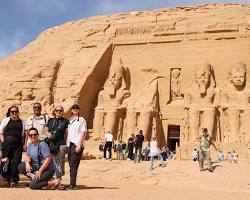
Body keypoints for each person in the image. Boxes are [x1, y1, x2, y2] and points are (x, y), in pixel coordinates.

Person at [0, 106, 25, 186]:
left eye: (15, 111)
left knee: (16, 161)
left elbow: (23, 134)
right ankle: (5, 179)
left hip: (18, 144)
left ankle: (13, 180)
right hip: (7, 143)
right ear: (9, 112)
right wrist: (4, 142)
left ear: (18, 112)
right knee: (6, 162)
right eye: (12, 111)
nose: (14, 113)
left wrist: (24, 143)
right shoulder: (6, 120)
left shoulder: (22, 121)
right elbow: (1, 132)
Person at [45, 105, 68, 189]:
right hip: (51, 143)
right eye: (57, 110)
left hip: (60, 143)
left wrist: (65, 143)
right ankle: (54, 181)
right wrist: (48, 135)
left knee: (60, 161)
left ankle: (58, 180)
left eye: (60, 110)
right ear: (55, 111)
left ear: (62, 112)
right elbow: (46, 130)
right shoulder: (50, 120)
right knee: (53, 161)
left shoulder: (65, 121)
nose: (58, 112)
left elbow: (66, 133)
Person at [67, 103, 87, 190]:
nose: (75, 109)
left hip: (76, 144)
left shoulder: (81, 120)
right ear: (71, 110)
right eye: (74, 108)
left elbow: (83, 132)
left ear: (79, 110)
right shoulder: (69, 120)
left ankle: (73, 184)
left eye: (77, 108)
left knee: (74, 164)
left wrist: (79, 144)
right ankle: (72, 183)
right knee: (71, 164)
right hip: (69, 144)